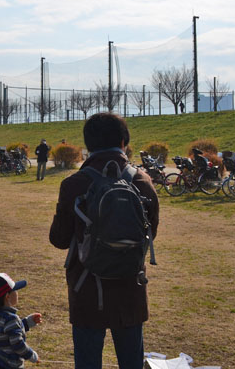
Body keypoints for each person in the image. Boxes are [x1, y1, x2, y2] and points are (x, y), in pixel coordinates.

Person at [48, 113, 159, 369]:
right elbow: (150, 233)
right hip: (131, 287)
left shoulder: (75, 184)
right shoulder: (143, 181)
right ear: (124, 141)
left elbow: (59, 239)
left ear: (88, 144)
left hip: (87, 289)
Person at [0, 272, 42, 368]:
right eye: (15, 290)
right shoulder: (11, 319)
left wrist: (27, 322)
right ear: (7, 297)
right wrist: (32, 355)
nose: (17, 293)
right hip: (9, 365)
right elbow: (17, 344)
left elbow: (8, 332)